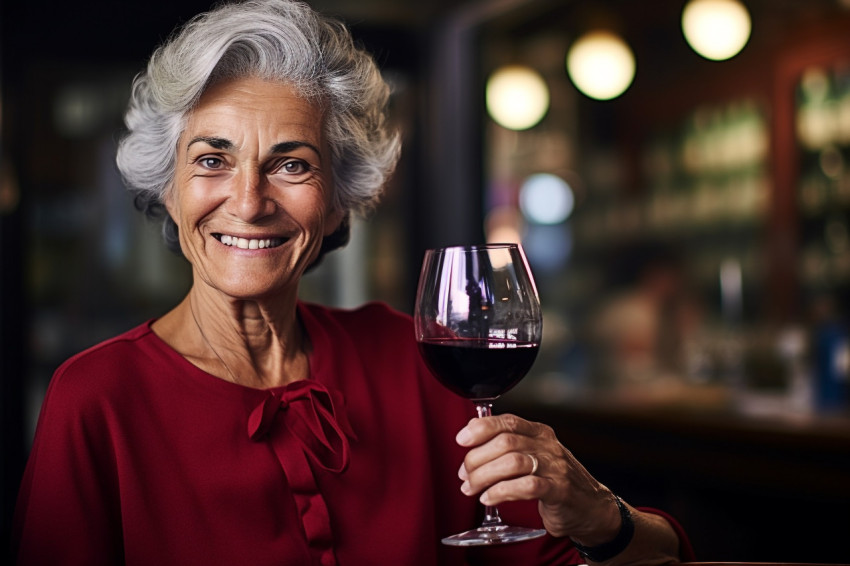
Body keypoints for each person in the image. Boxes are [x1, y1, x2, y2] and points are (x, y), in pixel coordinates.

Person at [12, 1, 694, 564]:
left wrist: (600, 516)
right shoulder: (97, 398)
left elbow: (649, 560)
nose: (248, 201)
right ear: (168, 188)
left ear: (342, 197)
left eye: (293, 164)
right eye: (212, 159)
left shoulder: (414, 361)